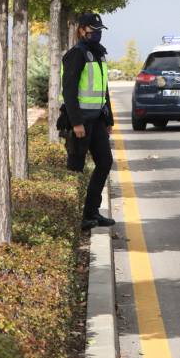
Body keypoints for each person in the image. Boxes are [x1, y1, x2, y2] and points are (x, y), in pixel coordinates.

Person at [62, 13, 116, 231]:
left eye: (99, 29)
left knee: (104, 162)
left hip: (98, 120)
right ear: (81, 30)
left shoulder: (99, 54)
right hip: (80, 121)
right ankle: (71, 218)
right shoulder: (76, 54)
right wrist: (76, 123)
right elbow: (69, 91)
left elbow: (104, 90)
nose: (97, 33)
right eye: (93, 30)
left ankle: (91, 212)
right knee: (75, 167)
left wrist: (109, 119)